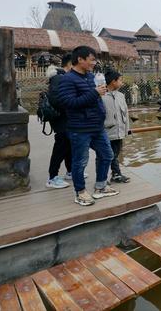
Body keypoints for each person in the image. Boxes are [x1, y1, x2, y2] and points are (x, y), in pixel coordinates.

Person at [58, 46, 118, 206]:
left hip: (97, 126)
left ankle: (100, 187)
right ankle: (80, 192)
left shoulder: (91, 77)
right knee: (80, 162)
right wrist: (94, 93)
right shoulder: (67, 79)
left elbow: (94, 99)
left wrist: (99, 95)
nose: (94, 62)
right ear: (80, 60)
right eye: (91, 59)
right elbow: (69, 103)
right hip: (80, 129)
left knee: (107, 155)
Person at [46, 54, 74, 189]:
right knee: (60, 147)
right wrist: (72, 103)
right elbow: (56, 100)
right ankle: (52, 177)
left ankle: (70, 171)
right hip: (61, 119)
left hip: (65, 119)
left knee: (68, 145)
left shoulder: (60, 77)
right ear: (69, 64)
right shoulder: (58, 78)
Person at [102, 70, 131, 183]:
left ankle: (115, 174)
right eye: (120, 80)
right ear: (113, 82)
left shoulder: (121, 96)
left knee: (115, 154)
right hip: (107, 132)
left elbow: (126, 114)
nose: (121, 82)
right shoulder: (101, 96)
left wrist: (126, 130)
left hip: (119, 132)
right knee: (106, 155)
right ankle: (104, 177)